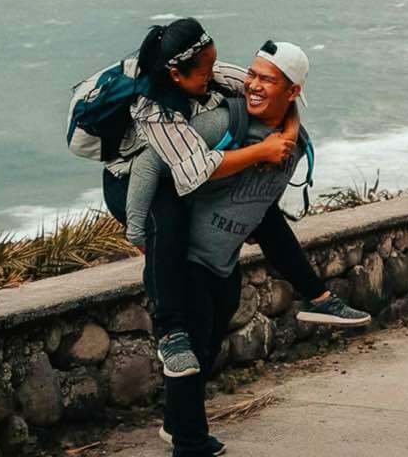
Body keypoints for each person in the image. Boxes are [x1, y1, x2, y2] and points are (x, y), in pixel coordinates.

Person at [125, 40, 369, 457]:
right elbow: (151, 158)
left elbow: (262, 213)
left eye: (267, 80)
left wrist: (290, 131)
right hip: (184, 260)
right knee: (187, 353)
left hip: (222, 263)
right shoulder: (223, 120)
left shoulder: (293, 142)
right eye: (252, 75)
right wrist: (140, 233)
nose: (253, 85)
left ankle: (180, 426)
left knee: (204, 350)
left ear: (292, 92)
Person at [99, 19, 298, 368]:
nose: (215, 73)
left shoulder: (210, 71)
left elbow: (275, 98)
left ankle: (316, 294)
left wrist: (290, 134)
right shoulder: (153, 109)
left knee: (262, 222)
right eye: (205, 71)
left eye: (213, 63)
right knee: (168, 228)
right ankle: (170, 332)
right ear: (176, 75)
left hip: (176, 168)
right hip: (131, 179)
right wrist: (261, 152)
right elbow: (193, 172)